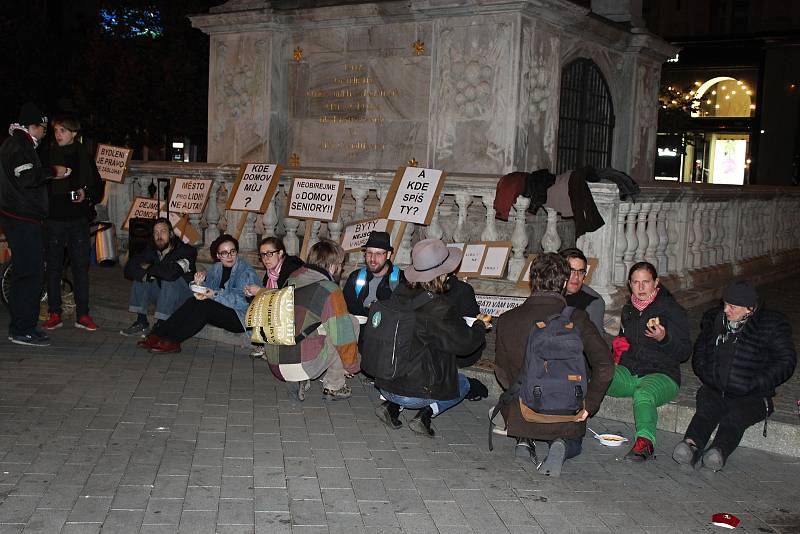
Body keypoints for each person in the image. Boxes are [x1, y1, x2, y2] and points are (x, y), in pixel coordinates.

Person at [494, 253, 613, 476]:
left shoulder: (508, 319)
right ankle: (563, 445)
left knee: (519, 397)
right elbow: (605, 365)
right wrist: (589, 405)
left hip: (524, 414)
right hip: (567, 414)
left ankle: (524, 441)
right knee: (572, 438)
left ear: (532, 280)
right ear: (565, 282)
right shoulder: (576, 318)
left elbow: (500, 370)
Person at [673, 280, 796, 471]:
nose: (727, 310)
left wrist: (755, 384)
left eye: (733, 306)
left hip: (753, 394)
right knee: (706, 412)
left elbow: (786, 362)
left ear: (749, 308)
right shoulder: (715, 320)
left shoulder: (771, 325)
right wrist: (708, 375)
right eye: (725, 304)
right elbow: (701, 350)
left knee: (735, 418)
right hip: (717, 388)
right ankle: (690, 446)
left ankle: (719, 451)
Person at [373, 239, 488, 437]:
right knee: (463, 383)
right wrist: (480, 325)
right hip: (414, 393)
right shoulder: (439, 307)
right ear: (443, 272)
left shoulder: (399, 292)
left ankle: (391, 406)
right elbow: (465, 344)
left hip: (384, 383)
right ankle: (425, 414)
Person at [0, 102, 70, 346]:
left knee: (26, 273)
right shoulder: (19, 145)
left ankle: (22, 327)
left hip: (22, 216)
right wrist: (53, 171)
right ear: (33, 126)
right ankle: (23, 328)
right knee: (31, 274)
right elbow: (27, 177)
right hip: (22, 217)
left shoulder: (20, 143)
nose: (45, 133)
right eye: (43, 128)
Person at [609, 261, 691, 461]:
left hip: (662, 374)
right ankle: (570, 424)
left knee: (643, 394)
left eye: (646, 282)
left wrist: (664, 339)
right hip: (630, 372)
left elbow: (685, 352)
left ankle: (645, 443)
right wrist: (618, 348)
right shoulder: (628, 310)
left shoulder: (671, 310)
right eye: (636, 283)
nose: (641, 288)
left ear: (656, 282)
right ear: (629, 284)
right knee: (599, 374)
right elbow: (626, 342)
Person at [264, 239, 359, 401]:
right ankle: (334, 386)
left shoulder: (292, 277)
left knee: (309, 325)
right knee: (349, 322)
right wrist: (352, 366)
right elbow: (343, 338)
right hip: (301, 363)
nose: (341, 269)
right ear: (332, 266)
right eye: (341, 264)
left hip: (275, 361)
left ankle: (300, 377)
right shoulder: (330, 290)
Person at [138, 233, 258, 353]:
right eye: (224, 253)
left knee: (205, 306)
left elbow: (242, 303)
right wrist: (199, 284)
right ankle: (157, 335)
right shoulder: (217, 268)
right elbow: (208, 290)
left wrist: (214, 295)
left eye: (232, 251)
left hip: (241, 317)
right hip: (222, 311)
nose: (229, 256)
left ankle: (173, 340)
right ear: (218, 255)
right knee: (193, 301)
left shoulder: (245, 272)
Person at [41, 115, 105, 332]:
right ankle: (54, 312)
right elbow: (38, 184)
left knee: (80, 268)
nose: (58, 135)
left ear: (74, 133)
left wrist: (85, 193)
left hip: (78, 219)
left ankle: (83, 314)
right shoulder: (48, 155)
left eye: (63, 131)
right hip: (54, 219)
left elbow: (97, 187)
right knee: (54, 268)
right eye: (56, 130)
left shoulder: (84, 157)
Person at [121, 218, 197, 336]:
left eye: (163, 231)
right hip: (164, 296)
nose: (159, 236)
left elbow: (171, 274)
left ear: (171, 234)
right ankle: (142, 322)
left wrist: (149, 268)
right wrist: (146, 274)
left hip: (184, 299)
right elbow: (129, 268)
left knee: (168, 280)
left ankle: (162, 324)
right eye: (156, 232)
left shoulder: (185, 251)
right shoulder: (151, 249)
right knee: (141, 277)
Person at [244, 236, 304, 358]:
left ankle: (272, 347)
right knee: (258, 302)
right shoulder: (271, 273)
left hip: (299, 310)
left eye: (269, 254)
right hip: (284, 311)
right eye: (262, 255)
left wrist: (260, 291)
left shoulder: (291, 269)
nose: (265, 259)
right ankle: (266, 344)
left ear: (280, 253)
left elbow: (288, 297)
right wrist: (251, 294)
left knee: (263, 299)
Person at [440, 271, 489, 401]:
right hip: (453, 351)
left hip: (436, 350)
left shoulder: (414, 288)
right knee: (463, 384)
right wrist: (480, 325)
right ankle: (431, 408)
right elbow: (469, 330)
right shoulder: (462, 289)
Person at [343, 230, 404, 324]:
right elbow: (346, 308)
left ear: (388, 255)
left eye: (378, 254)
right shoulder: (355, 277)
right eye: (369, 253)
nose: (372, 259)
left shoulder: (400, 279)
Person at [560, 247, 605, 335]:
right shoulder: (551, 292)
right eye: (571, 271)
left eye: (581, 272)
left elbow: (594, 343)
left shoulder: (593, 302)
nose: (576, 277)